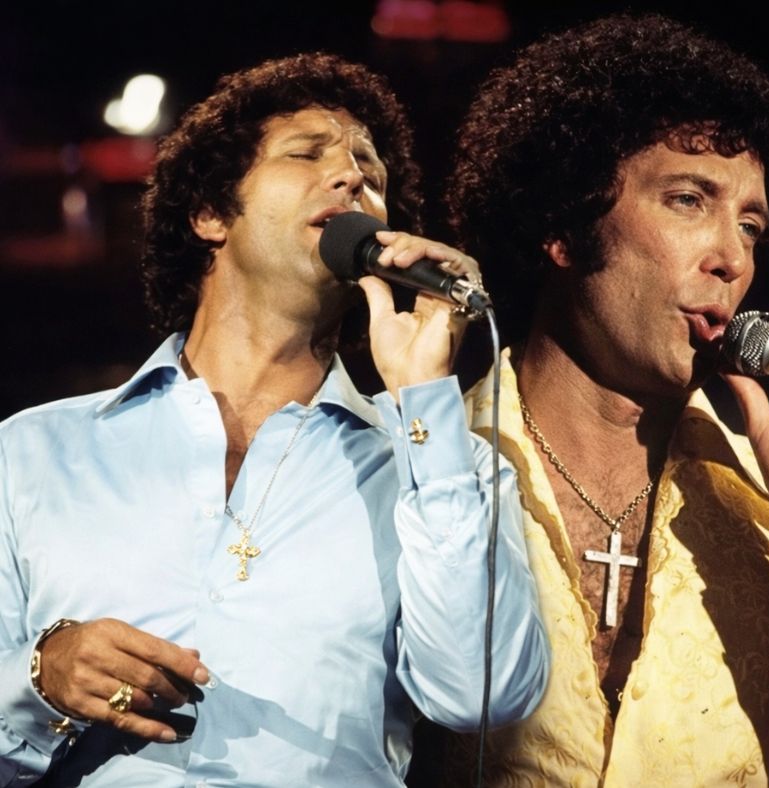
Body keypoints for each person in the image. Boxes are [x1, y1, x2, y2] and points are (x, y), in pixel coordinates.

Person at [0, 52, 548, 786]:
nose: (351, 176)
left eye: (371, 171)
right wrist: (39, 678)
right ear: (209, 213)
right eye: (307, 153)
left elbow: (484, 694)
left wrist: (426, 398)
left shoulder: (442, 467)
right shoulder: (33, 451)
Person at [426, 12, 769, 786]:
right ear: (563, 225)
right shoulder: (418, 469)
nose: (733, 257)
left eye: (751, 224)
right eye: (689, 200)